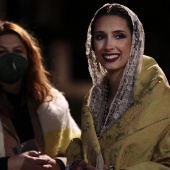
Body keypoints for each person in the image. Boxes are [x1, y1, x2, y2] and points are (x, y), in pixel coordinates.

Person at [66, 3, 170, 170]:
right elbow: (86, 149)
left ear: (135, 41)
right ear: (92, 43)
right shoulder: (93, 100)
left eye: (119, 36)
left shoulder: (159, 95)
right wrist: (77, 164)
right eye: (100, 36)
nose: (108, 46)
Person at [0, 20, 81, 170]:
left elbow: (80, 152)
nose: (11, 59)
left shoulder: (52, 102)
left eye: (17, 51)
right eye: (1, 52)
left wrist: (57, 164)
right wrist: (11, 164)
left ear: (30, 57)